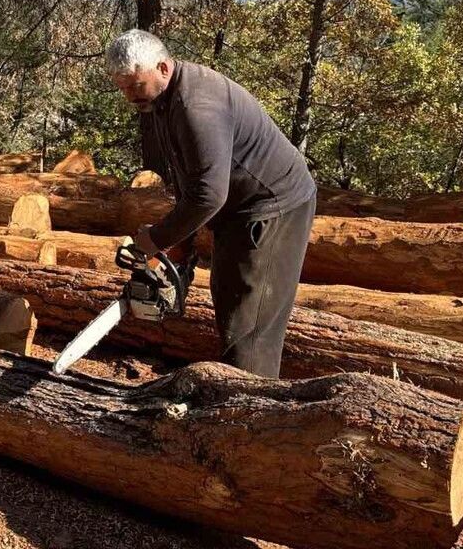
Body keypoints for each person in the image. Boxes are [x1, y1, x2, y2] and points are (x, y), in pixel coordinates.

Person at [106, 29, 316, 378]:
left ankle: (250, 402)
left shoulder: (196, 107)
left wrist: (156, 239)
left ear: (162, 67)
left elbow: (208, 195)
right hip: (237, 209)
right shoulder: (163, 100)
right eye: (123, 87)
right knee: (229, 300)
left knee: (249, 328)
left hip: (274, 206)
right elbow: (191, 182)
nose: (129, 96)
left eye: (135, 85)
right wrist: (178, 247)